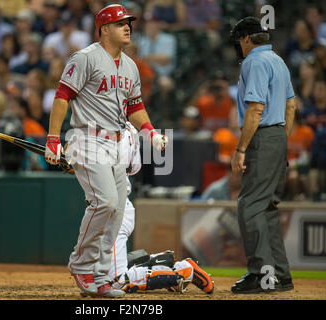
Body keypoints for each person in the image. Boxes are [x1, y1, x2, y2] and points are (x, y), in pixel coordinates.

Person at [44, 4, 168, 298]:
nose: (128, 27)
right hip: (87, 139)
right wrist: (53, 138)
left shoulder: (131, 65)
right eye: (120, 23)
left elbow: (134, 106)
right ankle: (81, 264)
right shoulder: (85, 57)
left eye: (128, 22)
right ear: (103, 29)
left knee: (117, 210)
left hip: (116, 143)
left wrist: (148, 130)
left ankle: (100, 277)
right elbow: (62, 96)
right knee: (106, 202)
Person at [229, 17, 297, 294]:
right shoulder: (278, 60)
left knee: (250, 206)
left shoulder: (254, 62)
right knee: (267, 207)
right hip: (278, 134)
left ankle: (262, 275)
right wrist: (279, 141)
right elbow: (291, 106)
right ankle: (279, 275)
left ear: (246, 39)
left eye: (239, 41)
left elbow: (256, 108)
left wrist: (241, 148)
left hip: (263, 135)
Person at [106, 122, 214, 295]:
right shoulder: (122, 128)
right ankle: (163, 263)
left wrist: (78, 161)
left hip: (115, 209)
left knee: (116, 282)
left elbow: (104, 165)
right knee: (96, 275)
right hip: (105, 208)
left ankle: (183, 271)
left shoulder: (120, 131)